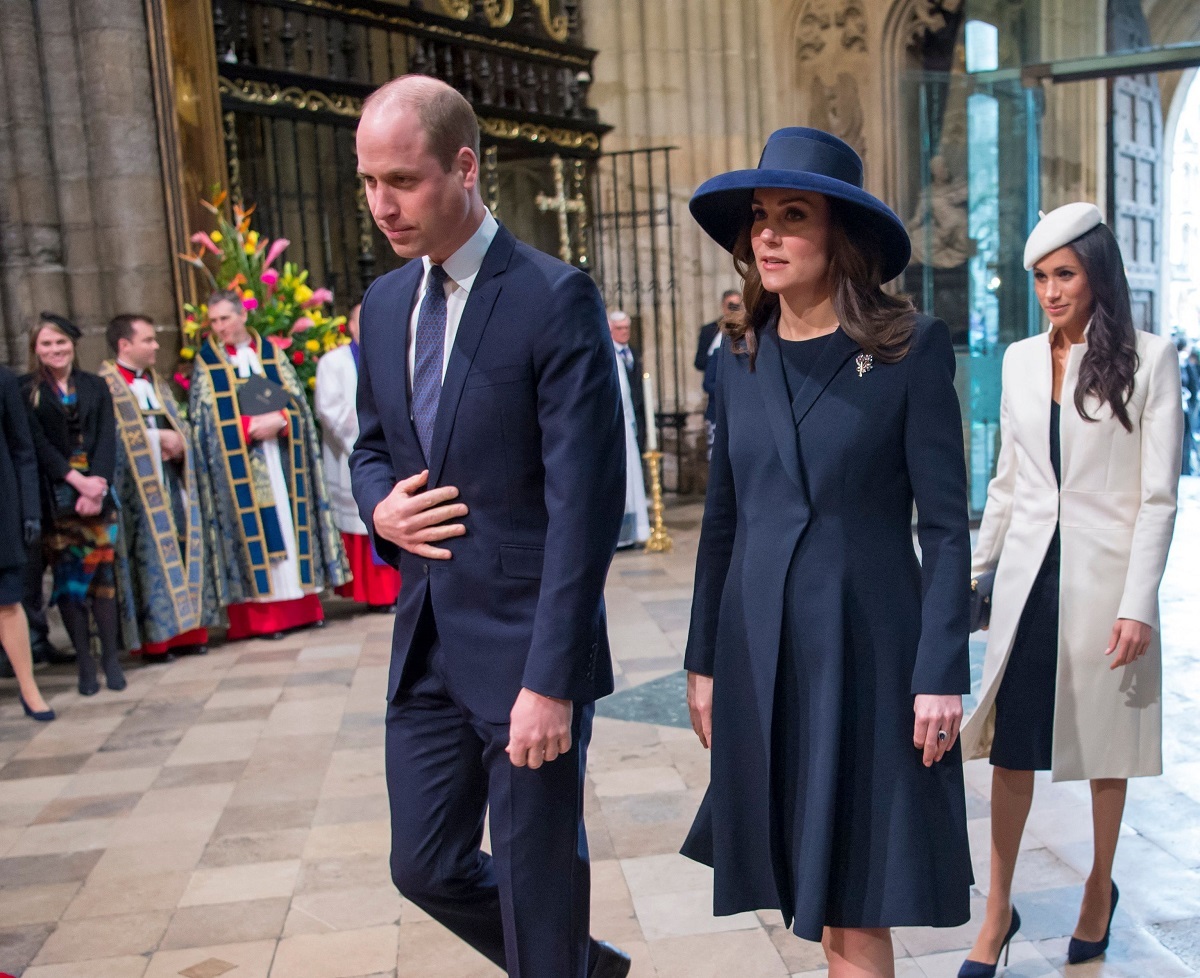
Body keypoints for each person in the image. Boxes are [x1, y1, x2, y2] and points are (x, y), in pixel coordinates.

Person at [351, 75, 630, 978]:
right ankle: (585, 969)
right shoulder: (386, 303)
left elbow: (584, 510)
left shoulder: (554, 297)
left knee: (538, 882)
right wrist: (379, 508)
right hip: (425, 641)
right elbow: (369, 450)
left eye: (402, 180)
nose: (381, 204)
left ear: (464, 168)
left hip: (525, 651)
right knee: (422, 864)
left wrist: (552, 681)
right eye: (367, 182)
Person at [682, 127, 973, 978]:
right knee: (803, 888)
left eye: (792, 216)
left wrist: (940, 669)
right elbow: (723, 525)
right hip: (762, 648)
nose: (766, 235)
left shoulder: (910, 349)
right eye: (759, 218)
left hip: (868, 650)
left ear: (839, 234)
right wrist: (703, 660)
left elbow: (946, 527)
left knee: (857, 896)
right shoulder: (739, 356)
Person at [960, 202, 1182, 974]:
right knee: (1011, 753)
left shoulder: (1151, 361)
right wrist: (974, 575)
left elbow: (1159, 495)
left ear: (1096, 274)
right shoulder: (1021, 359)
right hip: (1029, 580)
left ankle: (1098, 890)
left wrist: (1138, 602)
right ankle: (997, 911)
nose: (1051, 291)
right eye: (1040, 279)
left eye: (1065, 274)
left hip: (1105, 585)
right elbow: (1008, 481)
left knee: (1104, 751)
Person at [189, 291, 348, 640]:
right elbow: (202, 421)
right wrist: (247, 429)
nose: (220, 328)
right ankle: (262, 619)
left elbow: (299, 406)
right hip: (241, 467)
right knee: (258, 534)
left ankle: (304, 607)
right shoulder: (207, 363)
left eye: (225, 319)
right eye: (213, 322)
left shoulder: (271, 355)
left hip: (283, 458)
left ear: (242, 316)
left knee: (292, 528)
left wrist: (283, 421)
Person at [22, 313, 125, 696]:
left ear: (73, 345)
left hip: (97, 496)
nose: (55, 350)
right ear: (35, 349)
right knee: (70, 584)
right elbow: (38, 446)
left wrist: (96, 483)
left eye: (61, 342)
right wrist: (76, 480)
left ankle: (110, 660)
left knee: (102, 579)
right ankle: (85, 663)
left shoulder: (95, 385)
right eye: (46, 344)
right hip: (59, 497)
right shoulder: (27, 391)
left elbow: (106, 439)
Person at [101, 314, 212, 660]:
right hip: (137, 495)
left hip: (171, 480)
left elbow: (179, 423)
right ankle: (157, 640)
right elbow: (108, 440)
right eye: (148, 340)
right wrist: (154, 439)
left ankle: (188, 632)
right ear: (124, 345)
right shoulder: (105, 386)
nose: (155, 346)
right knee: (148, 559)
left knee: (181, 546)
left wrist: (179, 442)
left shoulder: (157, 383)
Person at [314, 302, 401, 611]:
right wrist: (372, 439)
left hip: (399, 454)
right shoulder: (333, 362)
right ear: (350, 326)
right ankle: (377, 596)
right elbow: (329, 409)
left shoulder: (395, 349)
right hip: (354, 453)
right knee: (370, 516)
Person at [0, 362, 55, 720]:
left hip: (1, 503)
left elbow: (23, 450)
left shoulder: (2, 378)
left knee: (7, 601)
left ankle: (28, 687)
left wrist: (29, 510)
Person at [609, 310, 650, 549]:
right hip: (618, 427)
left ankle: (635, 531)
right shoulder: (609, 355)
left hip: (630, 423)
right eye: (620, 329)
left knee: (635, 483)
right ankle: (620, 534)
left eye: (627, 328)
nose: (625, 333)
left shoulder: (631, 353)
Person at [695, 290, 741, 457]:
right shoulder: (713, 335)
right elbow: (706, 376)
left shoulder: (750, 334)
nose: (735, 310)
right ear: (723, 307)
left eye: (738, 306)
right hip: (719, 408)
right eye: (731, 306)